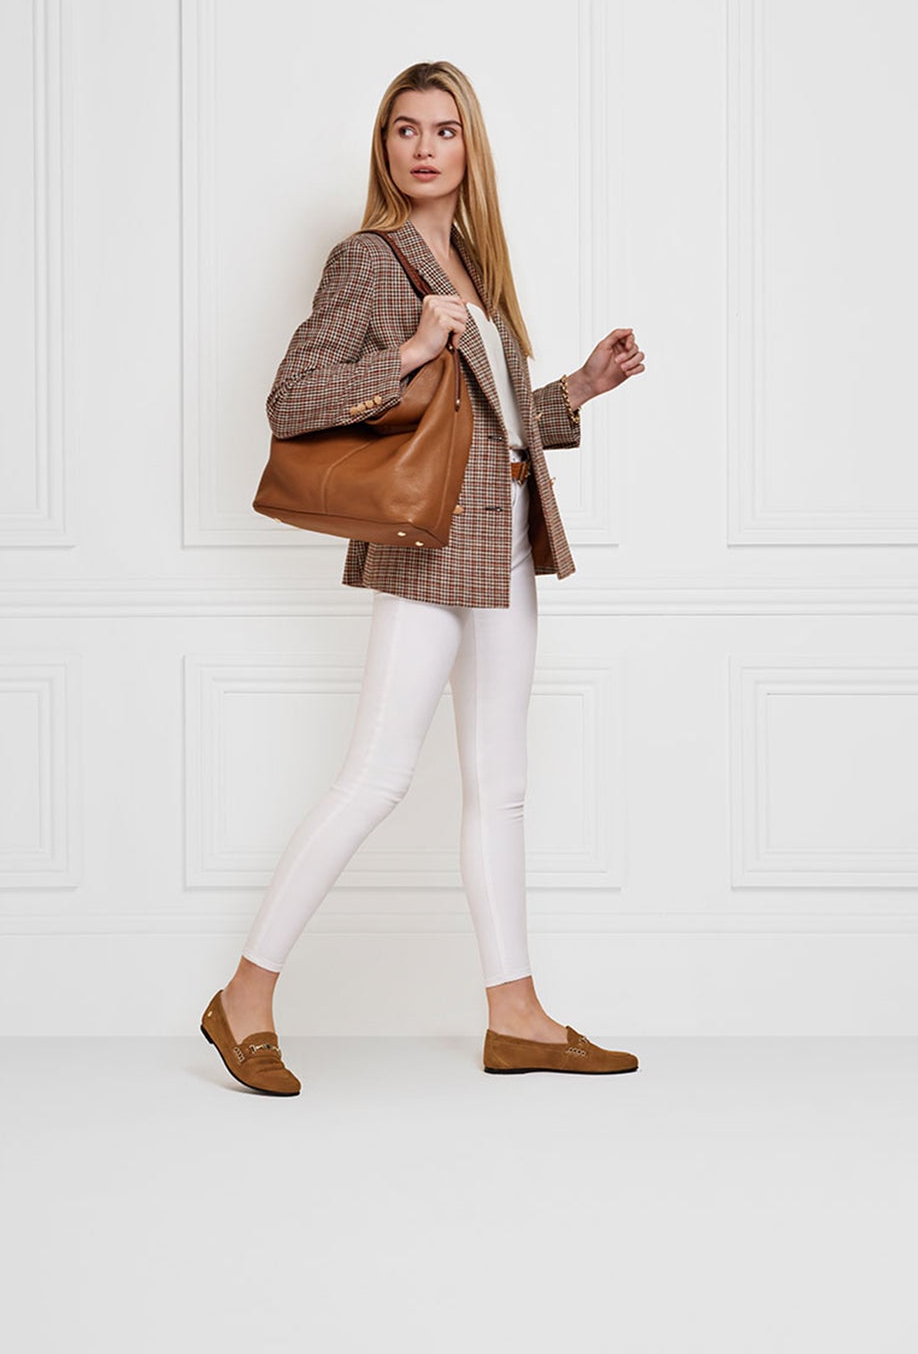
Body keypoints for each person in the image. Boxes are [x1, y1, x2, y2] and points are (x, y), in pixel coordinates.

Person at [200, 62, 646, 1095]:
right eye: (404, 129)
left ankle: (516, 1013)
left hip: (507, 543)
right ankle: (243, 995)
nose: (423, 147)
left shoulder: (473, 267)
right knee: (376, 775)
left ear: (467, 147)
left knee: (501, 785)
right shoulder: (369, 259)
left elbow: (484, 425)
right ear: (384, 147)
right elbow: (290, 399)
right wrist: (406, 347)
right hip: (429, 547)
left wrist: (579, 388)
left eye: (443, 129)